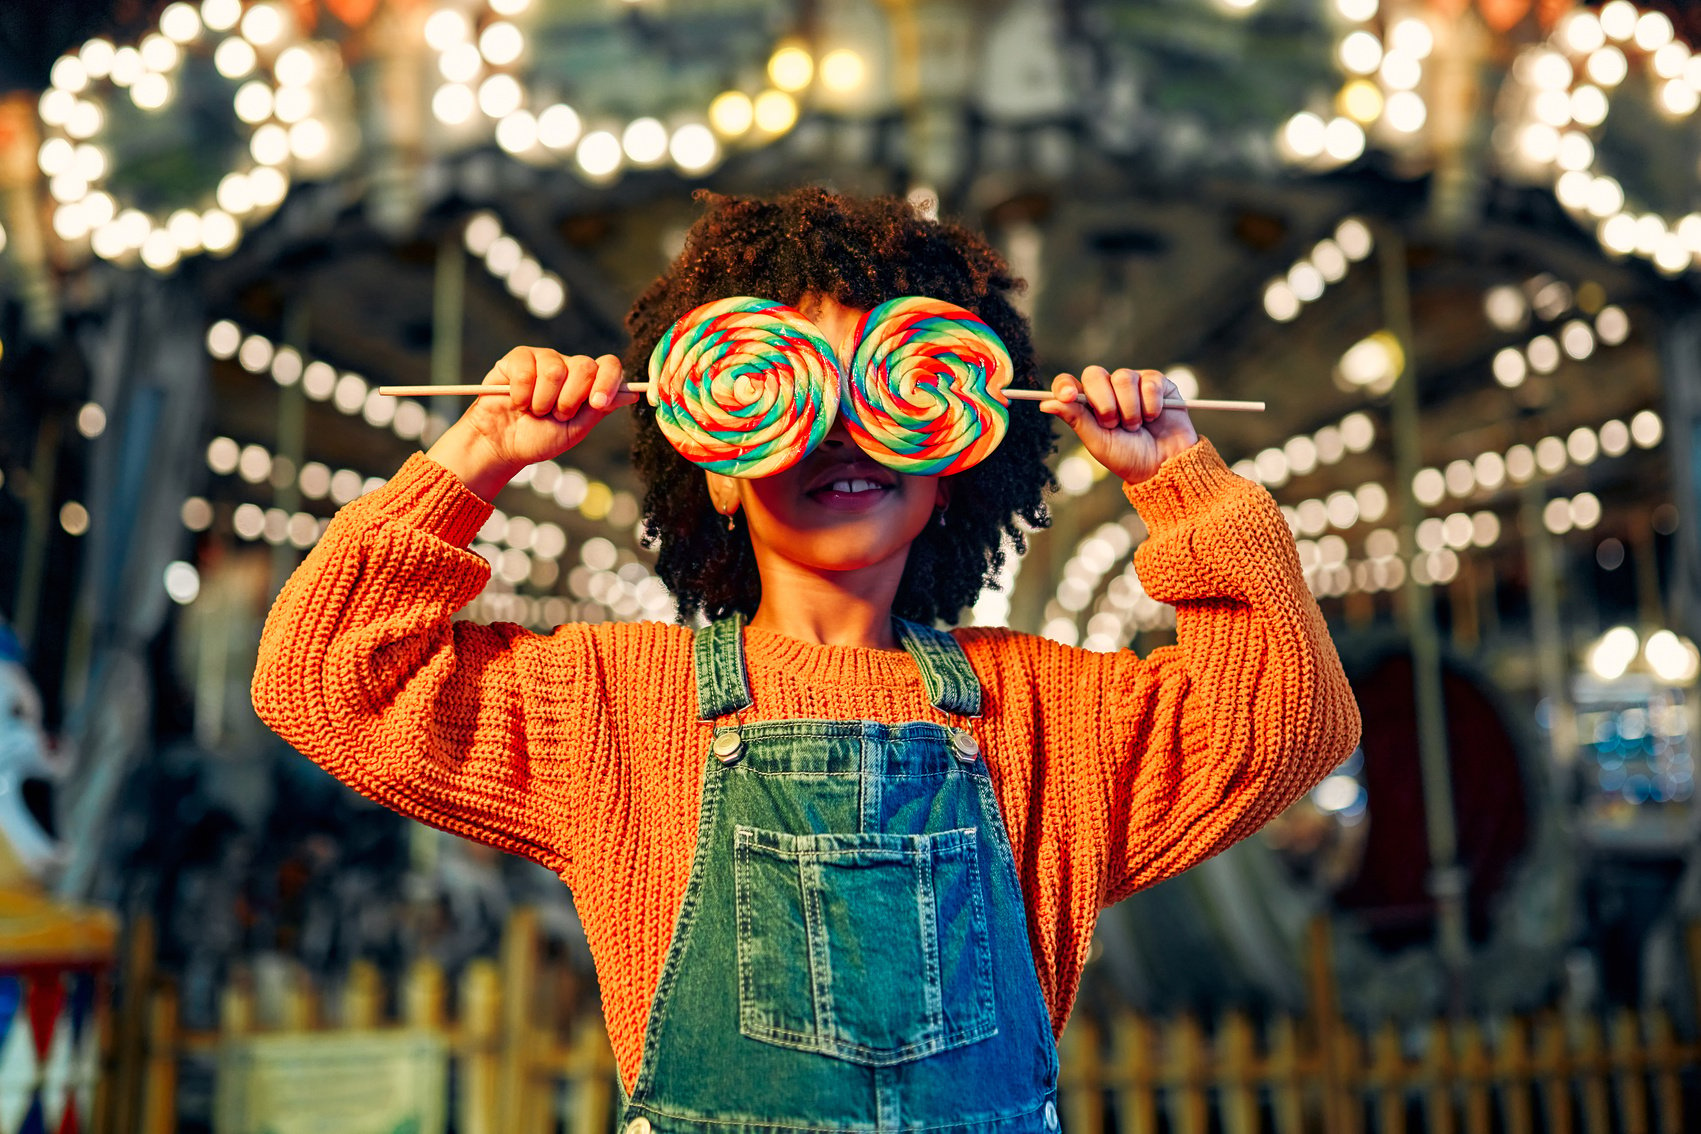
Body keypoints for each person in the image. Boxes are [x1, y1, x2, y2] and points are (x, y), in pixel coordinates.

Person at [252, 188, 1360, 1133]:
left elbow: (1286, 723)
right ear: (716, 466)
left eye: (884, 388)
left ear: (953, 447)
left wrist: (1180, 477)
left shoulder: (1043, 714)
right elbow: (327, 675)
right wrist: (477, 453)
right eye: (786, 394)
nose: (839, 428)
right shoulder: (613, 704)